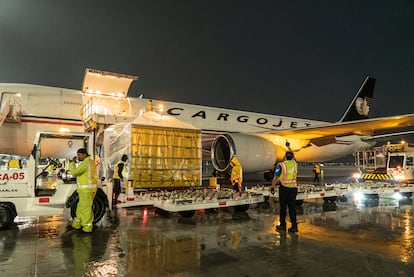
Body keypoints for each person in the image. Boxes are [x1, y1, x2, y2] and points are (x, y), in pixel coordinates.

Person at [69, 148, 97, 233]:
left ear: (84, 154)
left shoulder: (85, 163)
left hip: (86, 190)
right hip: (86, 190)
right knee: (81, 207)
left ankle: (87, 227)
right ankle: (77, 224)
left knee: (85, 208)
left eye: (79, 155)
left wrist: (72, 163)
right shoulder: (89, 162)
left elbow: (74, 173)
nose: (78, 157)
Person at [271, 151, 298, 233]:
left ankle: (283, 225)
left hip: (284, 188)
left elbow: (275, 177)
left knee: (283, 208)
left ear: (285, 157)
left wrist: (272, 186)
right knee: (292, 208)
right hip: (293, 188)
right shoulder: (294, 164)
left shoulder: (281, 165)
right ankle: (294, 227)